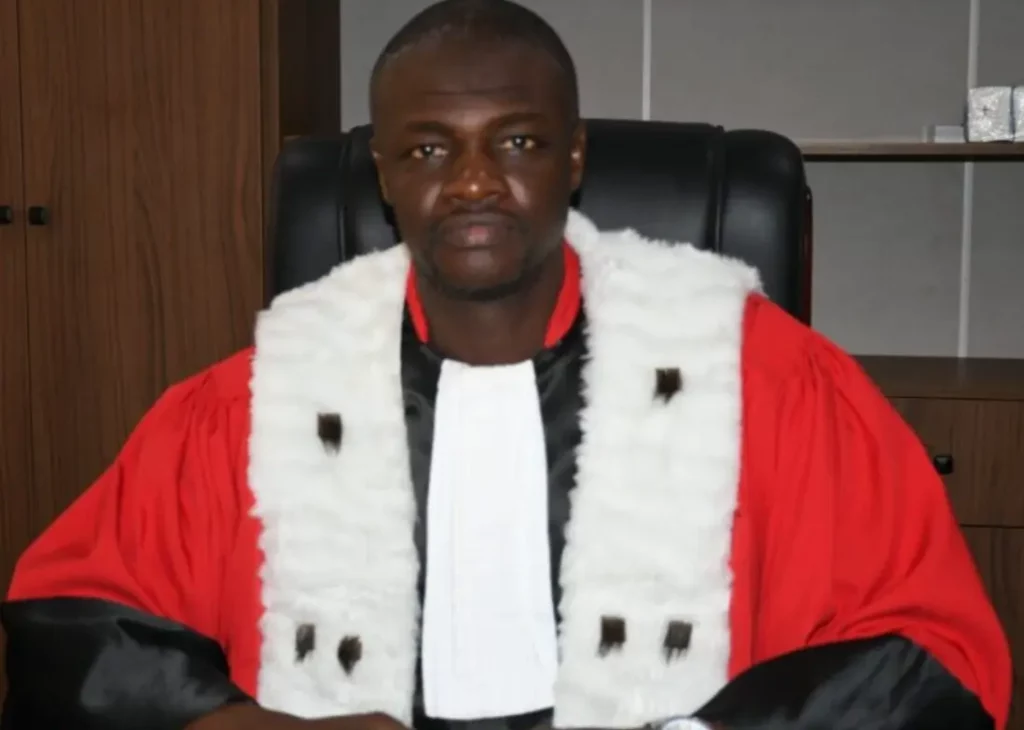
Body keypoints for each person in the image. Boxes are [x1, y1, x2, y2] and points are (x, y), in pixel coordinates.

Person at [0, 1, 1012, 729]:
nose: (475, 182)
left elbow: (931, 653)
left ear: (573, 158)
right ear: (383, 175)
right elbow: (69, 625)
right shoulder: (254, 405)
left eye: (517, 142)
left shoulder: (761, 382)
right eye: (429, 150)